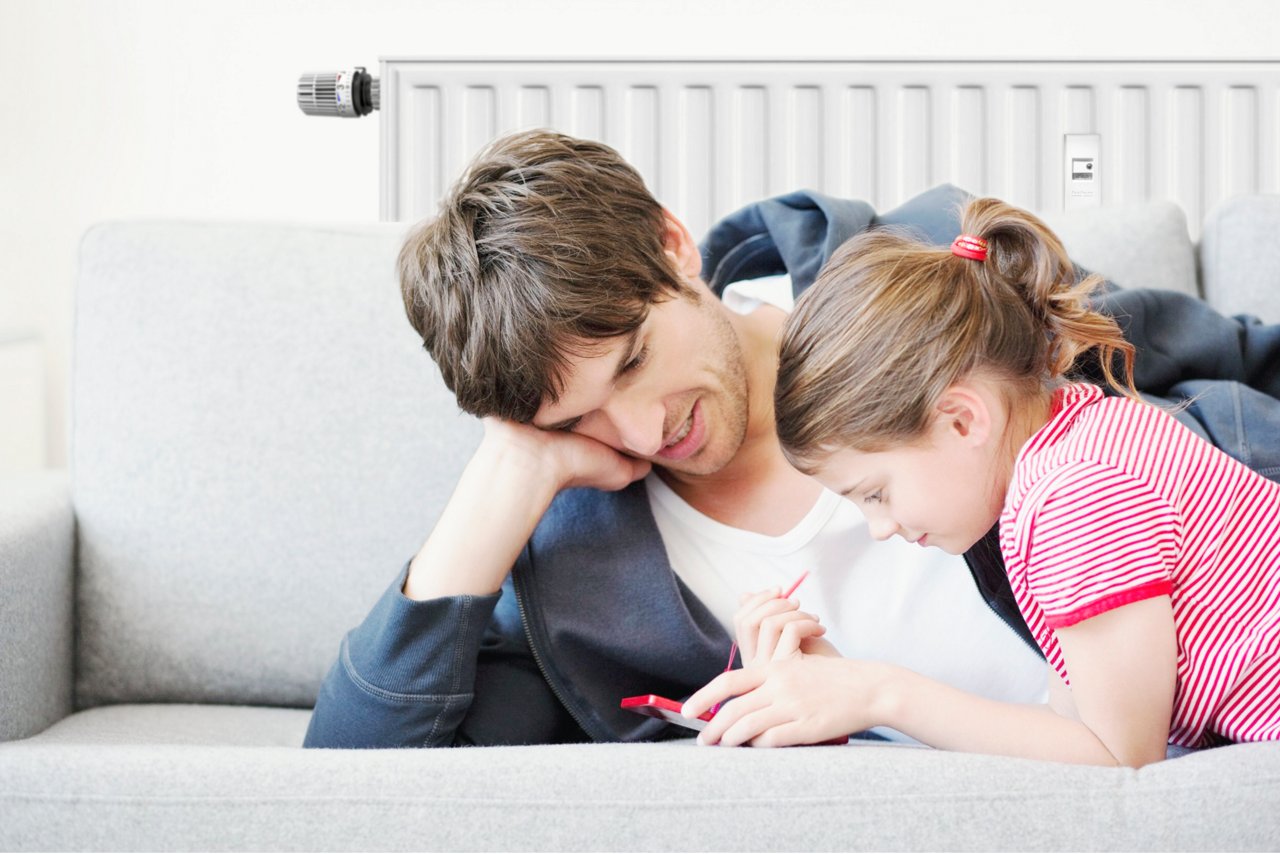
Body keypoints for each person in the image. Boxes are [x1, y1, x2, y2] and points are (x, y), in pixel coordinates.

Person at [303, 129, 1280, 749]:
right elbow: (349, 784)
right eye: (575, 416)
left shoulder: (916, 284)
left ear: (671, 244)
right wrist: (509, 469)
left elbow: (1218, 356)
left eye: (635, 360)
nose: (641, 430)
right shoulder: (582, 566)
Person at [683, 197, 1279, 765]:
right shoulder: (1079, 439)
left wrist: (879, 693)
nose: (880, 527)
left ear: (963, 419)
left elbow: (1119, 755)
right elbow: (1072, 724)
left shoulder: (1076, 497)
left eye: (875, 492)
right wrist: (839, 684)